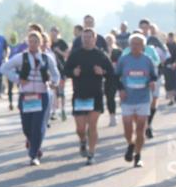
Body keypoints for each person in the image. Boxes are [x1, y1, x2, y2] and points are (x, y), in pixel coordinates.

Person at [1, 31, 61, 166]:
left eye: (36, 41)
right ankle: (34, 144)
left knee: (38, 125)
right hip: (26, 96)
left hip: (42, 95)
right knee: (26, 127)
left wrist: (53, 83)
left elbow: (56, 74)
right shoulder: (21, 57)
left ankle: (33, 154)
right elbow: (4, 68)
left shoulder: (46, 58)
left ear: (40, 43)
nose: (33, 44)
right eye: (30, 41)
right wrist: (17, 79)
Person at [64, 28, 113, 164]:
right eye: (84, 37)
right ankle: (82, 141)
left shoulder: (101, 55)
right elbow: (66, 70)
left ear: (94, 39)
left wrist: (102, 72)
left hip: (95, 94)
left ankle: (91, 153)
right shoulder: (75, 54)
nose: (86, 39)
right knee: (80, 128)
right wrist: (73, 72)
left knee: (92, 125)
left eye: (89, 37)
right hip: (79, 95)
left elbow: (111, 73)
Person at [116, 34, 159, 167]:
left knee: (140, 128)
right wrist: (121, 90)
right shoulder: (124, 60)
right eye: (133, 43)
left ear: (143, 46)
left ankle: (138, 155)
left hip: (143, 98)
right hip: (127, 99)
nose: (135, 46)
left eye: (138, 44)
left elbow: (153, 75)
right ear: (129, 45)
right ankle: (131, 143)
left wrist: (152, 82)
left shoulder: (147, 60)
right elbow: (116, 76)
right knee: (128, 128)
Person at [49, 27, 70, 122]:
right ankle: (54, 111)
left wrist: (59, 51)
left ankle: (63, 109)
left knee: (61, 91)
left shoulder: (62, 43)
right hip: (52, 70)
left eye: (55, 32)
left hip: (61, 69)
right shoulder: (49, 43)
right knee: (54, 91)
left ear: (58, 33)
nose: (53, 34)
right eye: (52, 33)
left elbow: (67, 55)